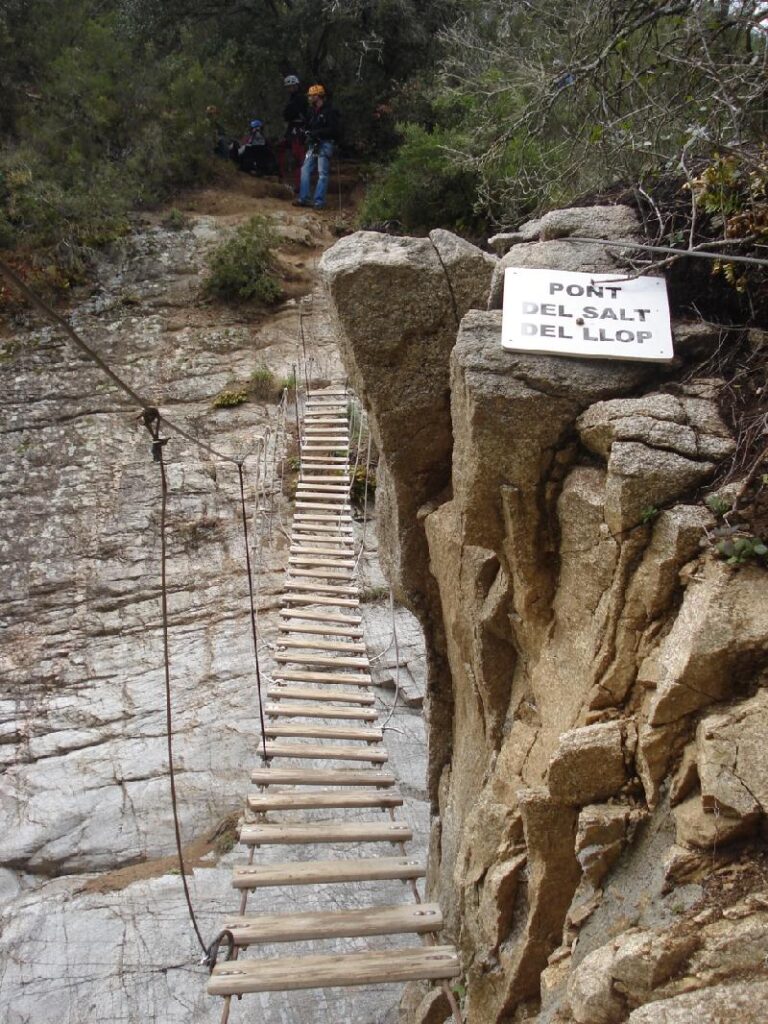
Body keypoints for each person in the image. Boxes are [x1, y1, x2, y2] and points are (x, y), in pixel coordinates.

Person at [294, 84, 341, 211]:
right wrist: (304, 132)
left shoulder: (329, 111)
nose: (309, 98)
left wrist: (317, 133)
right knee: (305, 169)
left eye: (311, 96)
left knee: (322, 173)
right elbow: (309, 127)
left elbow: (334, 130)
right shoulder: (312, 112)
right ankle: (304, 198)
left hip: (325, 143)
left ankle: (319, 201)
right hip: (314, 144)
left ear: (318, 96)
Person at [276, 74, 308, 192]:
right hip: (292, 130)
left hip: (299, 131)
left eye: (291, 86)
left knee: (298, 158)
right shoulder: (293, 99)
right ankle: (281, 176)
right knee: (281, 148)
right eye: (288, 87)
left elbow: (290, 114)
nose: (289, 89)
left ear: (296, 86)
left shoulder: (300, 98)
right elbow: (287, 115)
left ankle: (300, 186)